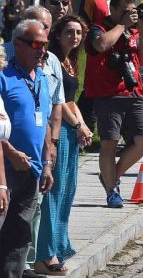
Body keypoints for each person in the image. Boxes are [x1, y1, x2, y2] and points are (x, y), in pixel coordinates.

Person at [85, 0, 143, 208]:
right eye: (124, 11)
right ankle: (111, 190)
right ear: (112, 9)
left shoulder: (134, 30)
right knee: (109, 143)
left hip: (134, 93)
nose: (129, 15)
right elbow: (101, 45)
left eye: (132, 11)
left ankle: (110, 177)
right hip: (108, 94)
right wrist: (122, 25)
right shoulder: (99, 28)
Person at [37, 15, 91, 275]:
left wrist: (83, 126)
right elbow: (58, 102)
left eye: (78, 32)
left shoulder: (71, 61)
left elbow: (71, 100)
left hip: (70, 131)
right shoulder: (52, 59)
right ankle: (45, 253)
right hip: (59, 130)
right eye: (69, 32)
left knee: (67, 191)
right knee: (54, 192)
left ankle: (58, 245)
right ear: (57, 35)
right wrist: (79, 125)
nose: (75, 37)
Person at [0, 19, 54, 276]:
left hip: (32, 169)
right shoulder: (4, 77)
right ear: (18, 44)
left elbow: (44, 123)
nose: (42, 50)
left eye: (45, 44)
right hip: (6, 168)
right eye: (36, 44)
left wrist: (47, 163)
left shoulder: (41, 78)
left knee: (20, 236)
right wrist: (10, 151)